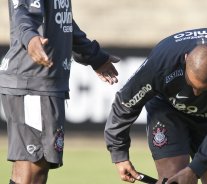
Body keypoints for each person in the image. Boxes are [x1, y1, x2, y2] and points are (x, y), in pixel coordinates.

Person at [104, 28, 207, 184]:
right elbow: (126, 103)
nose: (196, 93)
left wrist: (194, 170)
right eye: (192, 84)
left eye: (205, 88)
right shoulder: (161, 62)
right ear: (185, 59)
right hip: (168, 108)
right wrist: (119, 154)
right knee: (173, 175)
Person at [0, 0, 119, 184]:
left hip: (45, 84)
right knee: (31, 171)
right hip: (32, 82)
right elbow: (22, 13)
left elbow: (64, 22)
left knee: (34, 171)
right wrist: (30, 38)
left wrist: (95, 56)